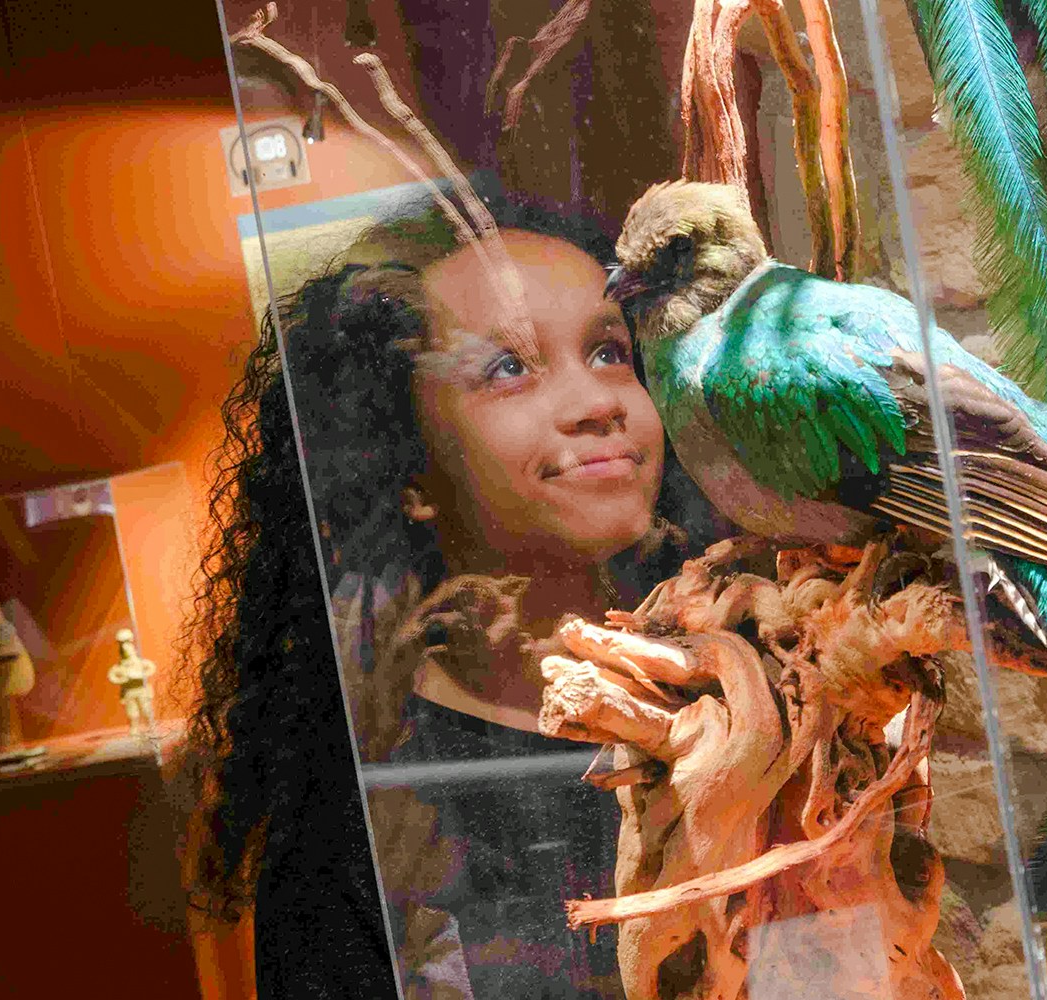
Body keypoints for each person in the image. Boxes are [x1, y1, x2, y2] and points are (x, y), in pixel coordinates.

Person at [181, 182, 718, 1000]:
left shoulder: (737, 680)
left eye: (609, 351)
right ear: (406, 461)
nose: (595, 404)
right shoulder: (371, 806)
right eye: (509, 368)